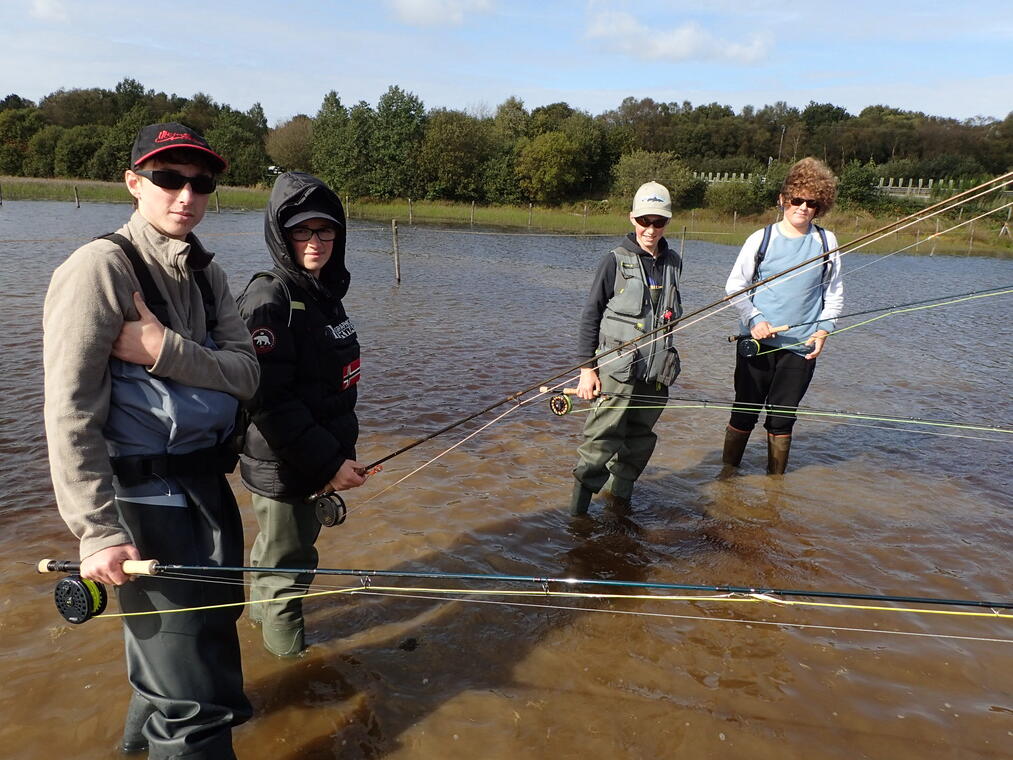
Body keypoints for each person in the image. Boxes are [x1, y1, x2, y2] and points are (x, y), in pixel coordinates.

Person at [43, 122, 258, 758]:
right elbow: (69, 412)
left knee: (208, 637)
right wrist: (98, 531)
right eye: (168, 178)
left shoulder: (209, 273)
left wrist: (164, 348)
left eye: (201, 183)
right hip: (143, 501)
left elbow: (248, 374)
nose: (186, 195)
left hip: (208, 488)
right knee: (191, 695)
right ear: (134, 183)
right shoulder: (98, 269)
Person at [237, 171, 367, 657]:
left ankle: (258, 632)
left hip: (314, 461)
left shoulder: (322, 293)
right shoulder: (269, 298)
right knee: (288, 571)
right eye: (302, 231)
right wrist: (328, 463)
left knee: (273, 554)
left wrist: (337, 457)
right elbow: (267, 400)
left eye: (325, 230)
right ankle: (290, 669)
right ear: (281, 234)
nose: (315, 241)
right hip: (287, 466)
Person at [721, 157, 843, 475]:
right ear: (783, 199)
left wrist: (824, 330)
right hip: (756, 344)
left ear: (820, 206)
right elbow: (735, 286)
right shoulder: (760, 239)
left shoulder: (826, 242)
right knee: (744, 413)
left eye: (811, 203)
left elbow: (834, 294)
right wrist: (755, 320)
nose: (802, 208)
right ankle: (726, 478)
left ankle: (775, 485)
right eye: (796, 200)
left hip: (800, 348)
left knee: (782, 419)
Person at [569, 181, 684, 515]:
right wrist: (587, 369)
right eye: (645, 220)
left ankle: (618, 508)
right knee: (599, 443)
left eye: (659, 221)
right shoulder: (613, 261)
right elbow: (591, 314)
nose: (651, 229)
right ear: (633, 218)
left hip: (656, 374)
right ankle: (577, 520)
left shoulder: (675, 262)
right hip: (615, 373)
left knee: (638, 443)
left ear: (667, 222)